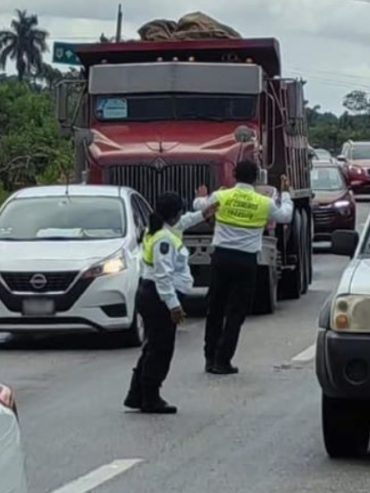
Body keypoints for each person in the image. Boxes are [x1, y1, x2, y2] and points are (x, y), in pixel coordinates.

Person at [195, 160, 294, 375]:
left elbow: (200, 208)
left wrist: (201, 196)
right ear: (256, 178)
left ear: (233, 175)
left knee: (215, 310)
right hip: (246, 262)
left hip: (221, 259)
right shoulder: (263, 202)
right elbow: (286, 215)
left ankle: (209, 358)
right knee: (236, 313)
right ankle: (223, 360)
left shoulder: (222, 196)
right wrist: (286, 193)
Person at [124, 192, 217, 414]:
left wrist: (203, 214)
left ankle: (137, 394)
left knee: (152, 347)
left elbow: (183, 222)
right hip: (158, 297)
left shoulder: (158, 229)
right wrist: (173, 306)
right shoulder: (164, 239)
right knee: (160, 350)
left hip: (152, 295)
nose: (182, 216)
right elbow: (163, 275)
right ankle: (150, 397)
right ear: (174, 214)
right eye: (180, 212)